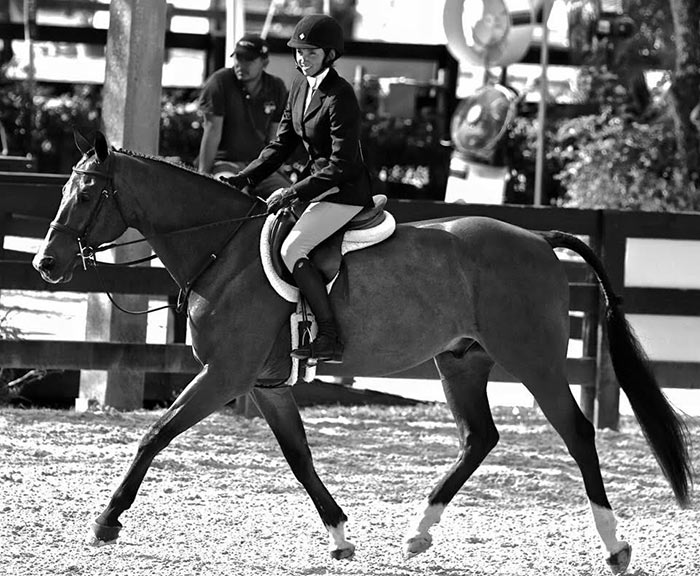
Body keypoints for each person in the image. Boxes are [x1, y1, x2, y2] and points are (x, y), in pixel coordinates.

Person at [224, 14, 373, 363]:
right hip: (316, 185)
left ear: (330, 55)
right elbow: (281, 144)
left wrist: (292, 192)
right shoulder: (300, 86)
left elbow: (341, 164)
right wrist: (243, 178)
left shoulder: (341, 96)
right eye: (299, 51)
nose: (302, 58)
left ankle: (330, 335)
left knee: (293, 249)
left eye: (311, 52)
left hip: (343, 191)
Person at [197, 34, 290, 197]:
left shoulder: (276, 87)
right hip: (224, 164)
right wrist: (202, 177)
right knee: (235, 198)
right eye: (238, 58)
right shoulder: (219, 82)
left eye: (249, 59)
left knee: (289, 198)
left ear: (265, 63)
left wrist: (277, 169)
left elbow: (275, 137)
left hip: (259, 166)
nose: (241, 64)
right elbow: (212, 132)